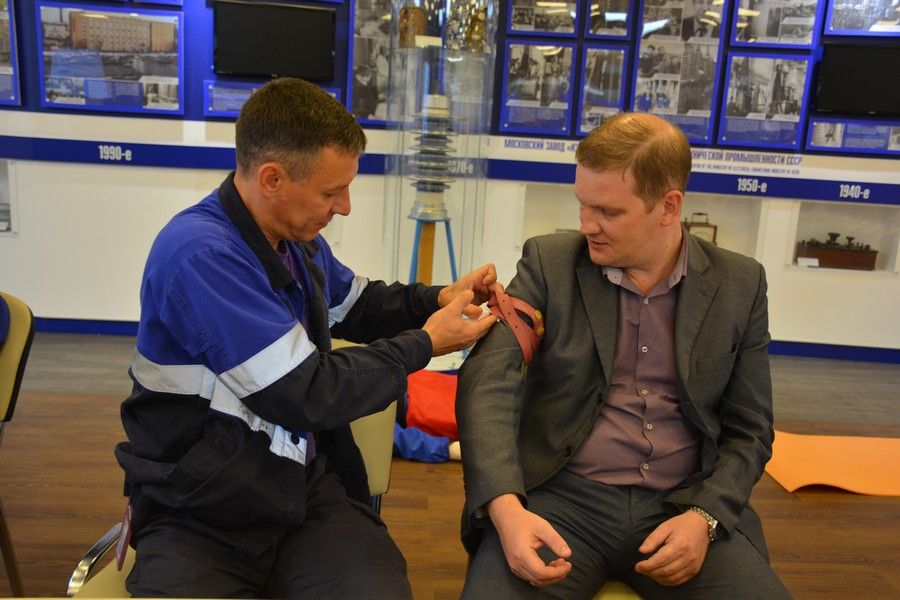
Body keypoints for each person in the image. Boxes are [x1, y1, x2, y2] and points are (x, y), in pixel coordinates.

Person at [115, 77, 498, 599]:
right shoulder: (202, 255)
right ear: (272, 179)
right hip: (197, 508)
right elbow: (304, 391)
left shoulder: (295, 241)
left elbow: (358, 305)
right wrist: (425, 343)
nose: (345, 206)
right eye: (330, 192)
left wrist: (437, 299)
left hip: (297, 487)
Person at [456, 112, 791, 599]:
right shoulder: (550, 264)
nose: (586, 225)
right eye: (582, 204)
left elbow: (751, 428)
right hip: (561, 500)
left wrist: (706, 517)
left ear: (668, 206)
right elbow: (488, 382)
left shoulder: (740, 285)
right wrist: (506, 509)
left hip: (683, 504)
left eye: (608, 212)